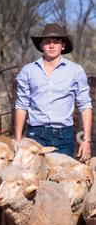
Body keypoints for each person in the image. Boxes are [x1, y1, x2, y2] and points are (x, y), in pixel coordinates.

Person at [14, 23, 92, 160]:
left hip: (64, 135)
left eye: (56, 42)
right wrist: (18, 140)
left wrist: (86, 140)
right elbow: (21, 105)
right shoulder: (28, 71)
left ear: (63, 45)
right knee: (34, 178)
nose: (51, 46)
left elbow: (85, 106)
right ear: (41, 45)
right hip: (36, 134)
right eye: (47, 42)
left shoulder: (75, 71)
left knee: (63, 178)